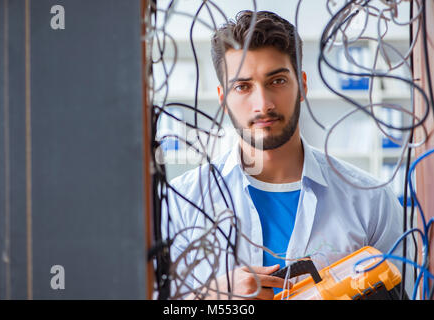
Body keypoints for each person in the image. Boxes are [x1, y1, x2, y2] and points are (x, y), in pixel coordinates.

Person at [162, 10, 410, 300]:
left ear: (302, 85)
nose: (262, 104)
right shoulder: (183, 204)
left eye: (277, 81)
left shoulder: (371, 200)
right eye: (242, 87)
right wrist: (212, 295)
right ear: (222, 98)